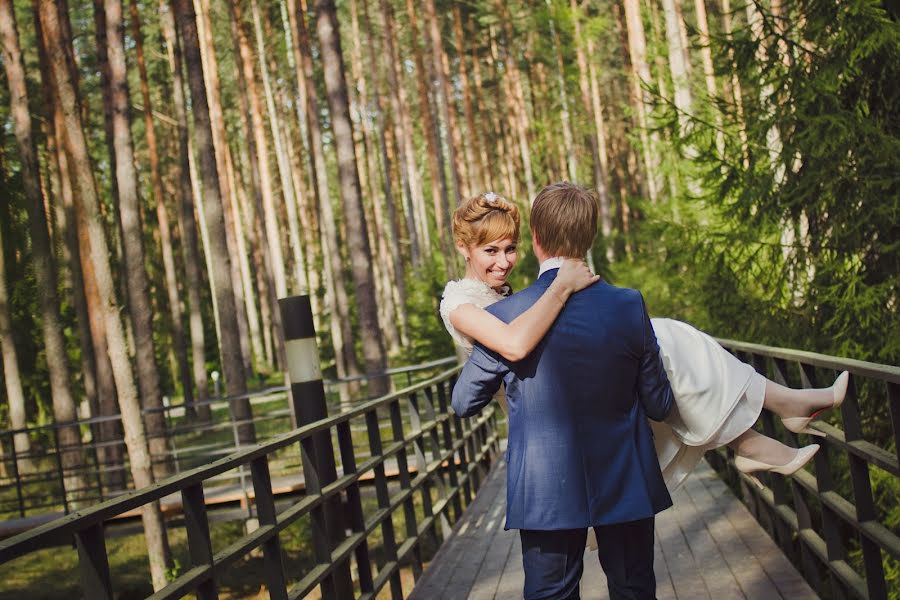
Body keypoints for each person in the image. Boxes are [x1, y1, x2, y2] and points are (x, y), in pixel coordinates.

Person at [445, 185, 847, 599]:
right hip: (624, 474)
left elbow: (464, 402)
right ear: (591, 234)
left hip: (545, 485)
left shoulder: (505, 314)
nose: (503, 261)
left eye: (507, 249)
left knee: (551, 593)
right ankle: (755, 431)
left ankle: (755, 434)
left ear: (534, 238)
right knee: (633, 589)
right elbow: (658, 402)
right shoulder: (626, 305)